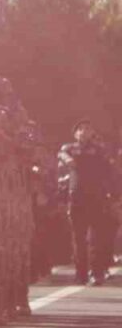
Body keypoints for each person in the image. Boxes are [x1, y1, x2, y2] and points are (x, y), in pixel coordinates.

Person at [59, 119, 116, 286]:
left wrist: (111, 195)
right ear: (75, 133)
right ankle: (81, 273)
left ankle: (96, 272)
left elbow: (109, 171)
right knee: (78, 238)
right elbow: (61, 157)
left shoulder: (99, 150)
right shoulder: (68, 149)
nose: (84, 131)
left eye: (88, 128)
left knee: (95, 238)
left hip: (96, 197)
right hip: (76, 197)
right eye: (81, 129)